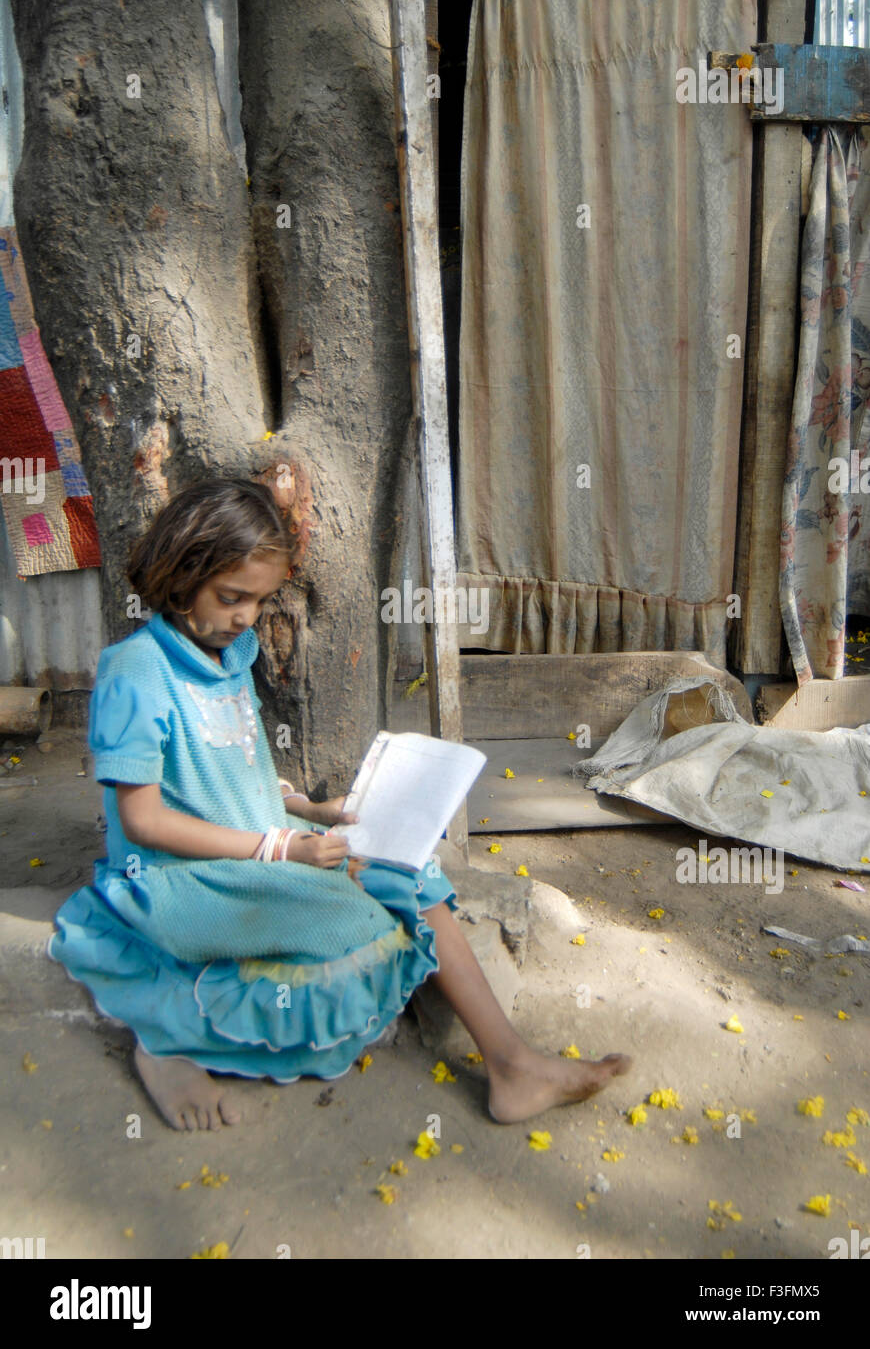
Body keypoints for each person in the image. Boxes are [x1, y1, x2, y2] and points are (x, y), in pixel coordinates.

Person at [50, 476, 631, 1132]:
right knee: (356, 933)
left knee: (412, 869)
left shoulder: (228, 652)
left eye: (259, 601)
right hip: (178, 874)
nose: (246, 618)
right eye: (230, 597)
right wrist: (281, 848)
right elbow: (144, 819)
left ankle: (512, 1064)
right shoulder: (136, 670)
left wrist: (305, 808)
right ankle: (167, 1041)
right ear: (180, 574)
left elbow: (230, 769)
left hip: (259, 836)